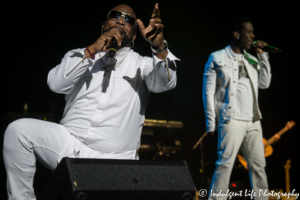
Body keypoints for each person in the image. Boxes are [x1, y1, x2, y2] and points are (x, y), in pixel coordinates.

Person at [3, 3, 179, 200]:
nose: (121, 20)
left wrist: (159, 47)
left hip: (117, 160)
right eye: (115, 16)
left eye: (128, 19)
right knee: (18, 131)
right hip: (71, 147)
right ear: (104, 25)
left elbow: (167, 82)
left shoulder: (143, 64)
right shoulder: (79, 54)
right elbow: (55, 84)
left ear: (135, 35)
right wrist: (92, 50)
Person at [202, 17, 271, 200]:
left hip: (253, 120)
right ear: (236, 34)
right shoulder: (217, 57)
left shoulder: (252, 59)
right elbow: (208, 92)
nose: (253, 36)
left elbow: (264, 83)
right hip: (231, 119)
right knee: (225, 165)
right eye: (249, 32)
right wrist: (211, 123)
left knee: (258, 167)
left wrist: (262, 56)